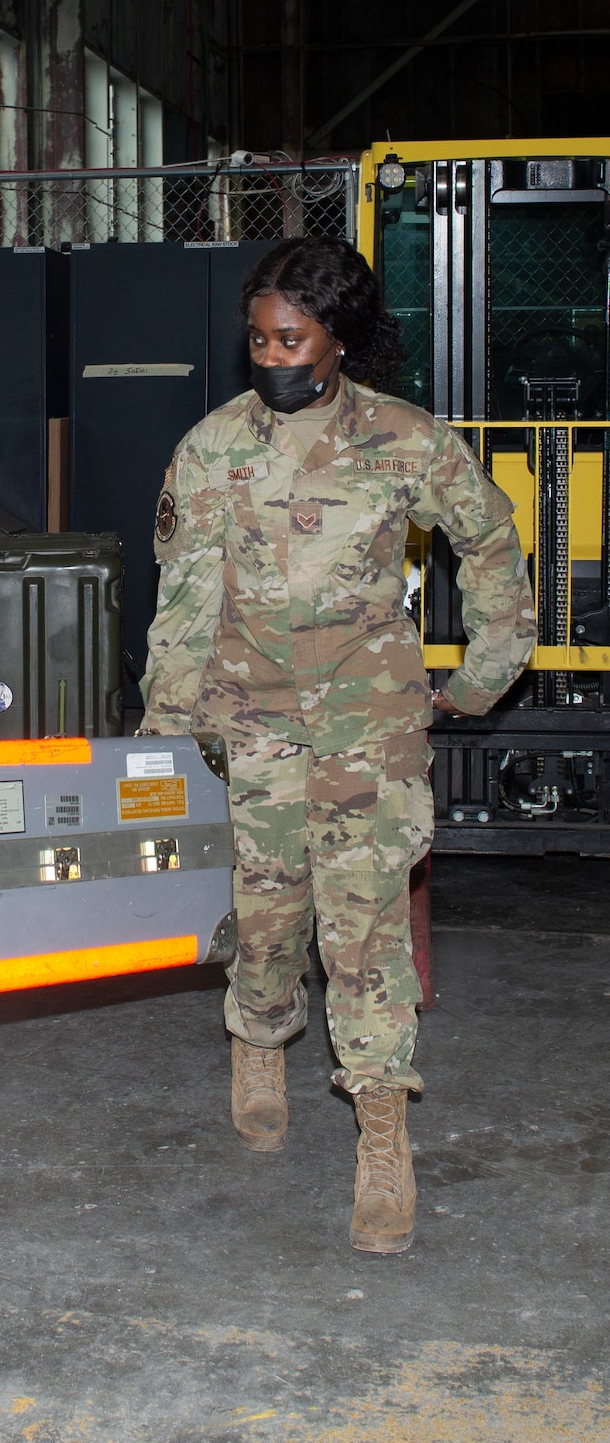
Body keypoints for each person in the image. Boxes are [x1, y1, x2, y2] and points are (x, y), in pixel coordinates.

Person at [140, 236, 534, 1255]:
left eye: (291, 338)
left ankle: (381, 1128)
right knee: (268, 913)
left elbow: (487, 543)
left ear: (338, 337)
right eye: (257, 339)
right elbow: (181, 603)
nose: (270, 357)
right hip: (252, 715)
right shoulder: (211, 448)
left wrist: (485, 670)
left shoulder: (405, 441)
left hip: (367, 713)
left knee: (361, 930)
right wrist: (159, 731)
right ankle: (257, 1032)